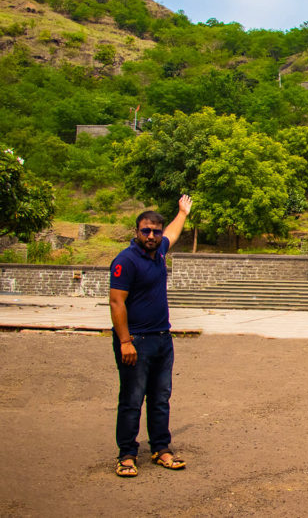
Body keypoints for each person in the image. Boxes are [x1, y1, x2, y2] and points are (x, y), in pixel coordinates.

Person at [109, 195, 192, 477]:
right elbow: (116, 302)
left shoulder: (158, 253)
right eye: (146, 231)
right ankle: (127, 455)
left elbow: (172, 233)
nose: (152, 236)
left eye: (155, 231)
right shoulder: (125, 260)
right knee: (132, 399)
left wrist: (182, 212)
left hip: (161, 339)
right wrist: (125, 341)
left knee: (160, 397)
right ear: (137, 232)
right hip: (136, 341)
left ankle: (161, 448)